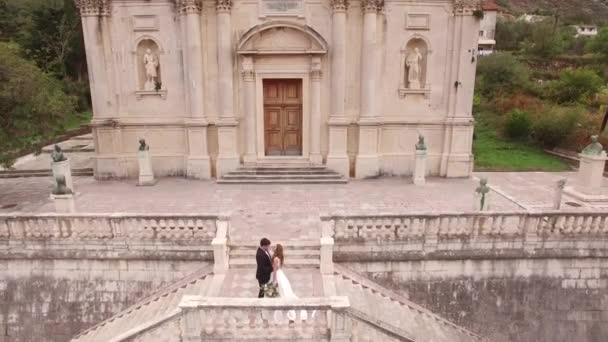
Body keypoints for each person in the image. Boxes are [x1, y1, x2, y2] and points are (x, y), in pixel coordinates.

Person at [271, 244, 310, 322]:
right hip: (281, 275)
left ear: (277, 250)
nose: (272, 247)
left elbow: (275, 270)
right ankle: (290, 314)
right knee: (285, 294)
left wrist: (274, 280)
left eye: (274, 247)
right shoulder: (279, 257)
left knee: (285, 294)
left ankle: (291, 315)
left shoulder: (275, 258)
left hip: (278, 276)